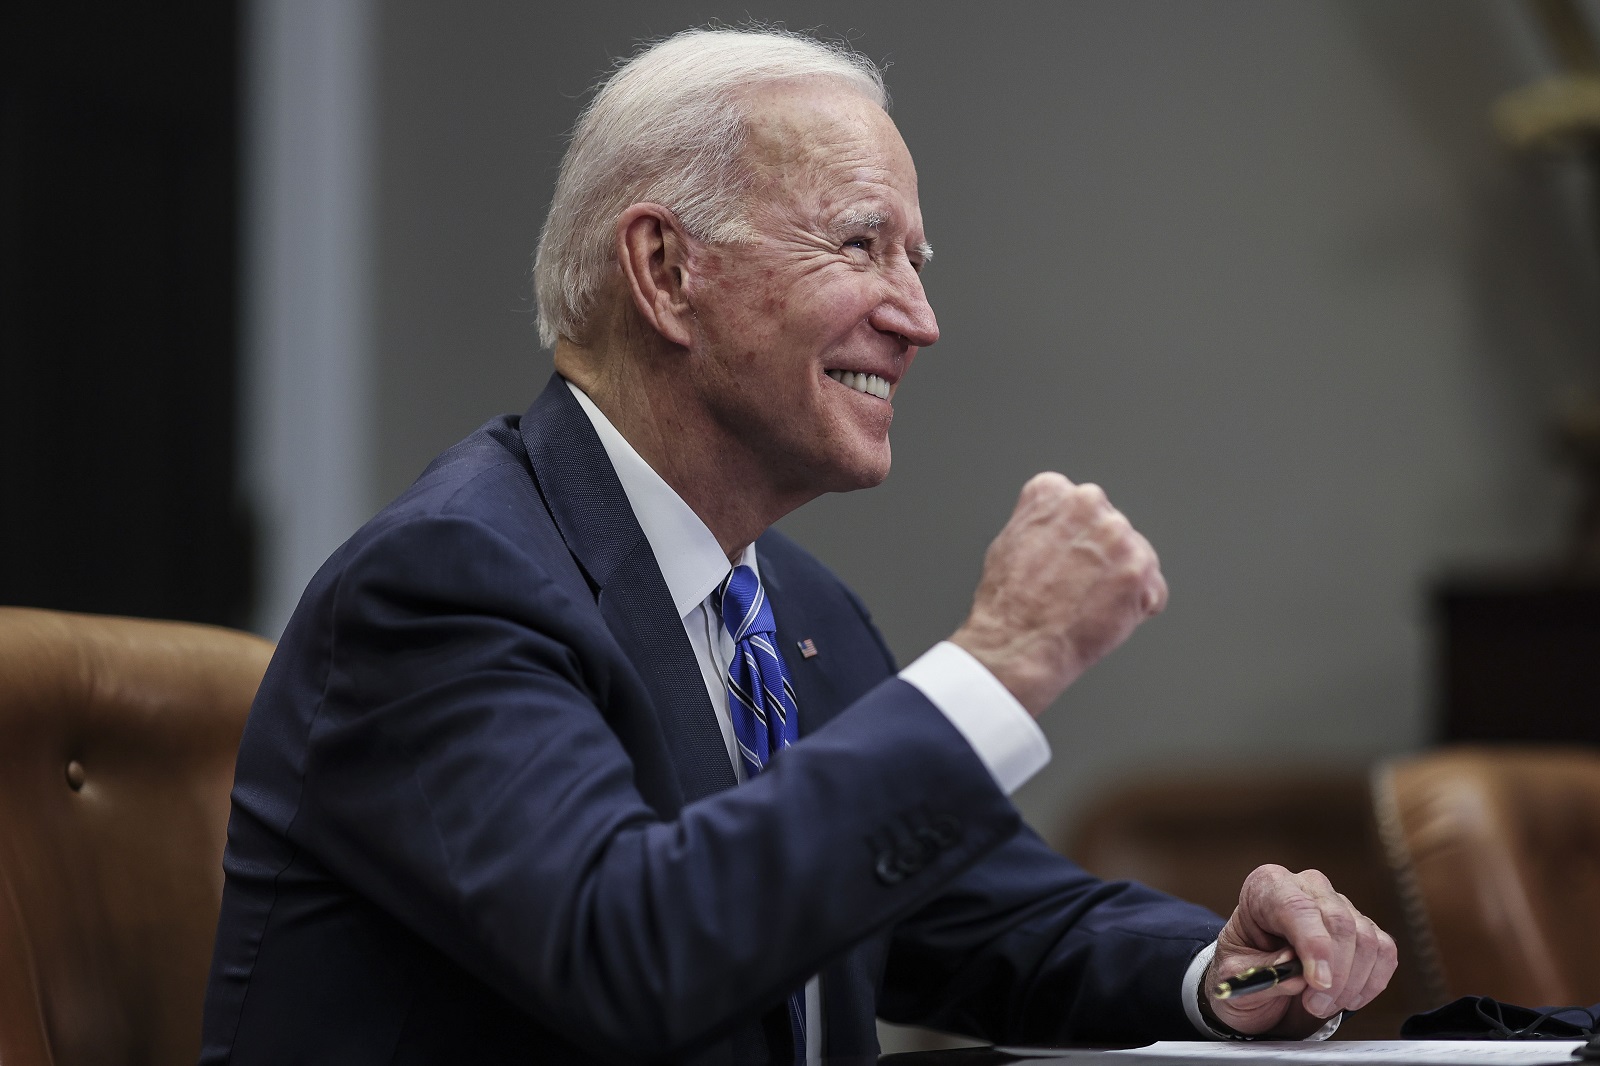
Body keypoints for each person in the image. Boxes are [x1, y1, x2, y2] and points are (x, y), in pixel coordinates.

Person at [201, 27, 1396, 1065]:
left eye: (915, 265)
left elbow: (978, 916)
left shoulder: (789, 610)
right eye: (861, 245)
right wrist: (1004, 658)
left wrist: (1224, 972)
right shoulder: (448, 585)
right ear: (666, 272)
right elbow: (629, 949)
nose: (918, 319)